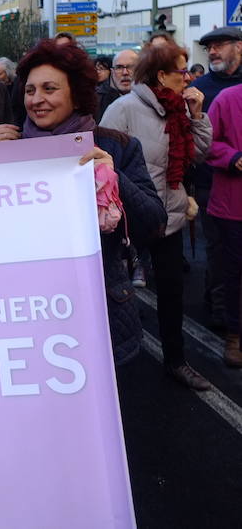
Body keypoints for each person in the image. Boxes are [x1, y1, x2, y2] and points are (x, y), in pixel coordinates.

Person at [16, 40, 165, 365]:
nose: (37, 100)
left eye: (49, 88)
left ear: (76, 93)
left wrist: (114, 179)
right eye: (30, 90)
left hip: (101, 309)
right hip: (26, 312)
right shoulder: (8, 148)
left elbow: (154, 225)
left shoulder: (118, 146)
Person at [101, 41, 213, 390]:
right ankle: (108, 367)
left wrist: (197, 116)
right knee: (116, 293)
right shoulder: (124, 109)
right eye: (181, 71)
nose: (187, 77)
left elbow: (199, 155)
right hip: (133, 220)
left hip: (171, 217)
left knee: (171, 294)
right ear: (161, 75)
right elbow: (104, 165)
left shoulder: (179, 108)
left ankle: (176, 361)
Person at [191, 27, 242, 327]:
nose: (212, 52)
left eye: (219, 45)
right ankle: (222, 315)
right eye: (209, 47)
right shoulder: (202, 87)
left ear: (238, 47)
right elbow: (198, 138)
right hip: (210, 182)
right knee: (219, 252)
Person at [204, 81, 242, 366]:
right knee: (234, 274)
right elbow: (207, 143)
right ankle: (234, 335)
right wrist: (232, 156)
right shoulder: (227, 98)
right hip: (233, 206)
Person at [96, 49, 137, 123]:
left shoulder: (152, 99)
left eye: (131, 67)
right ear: (112, 72)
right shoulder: (97, 100)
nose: (125, 72)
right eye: (119, 67)